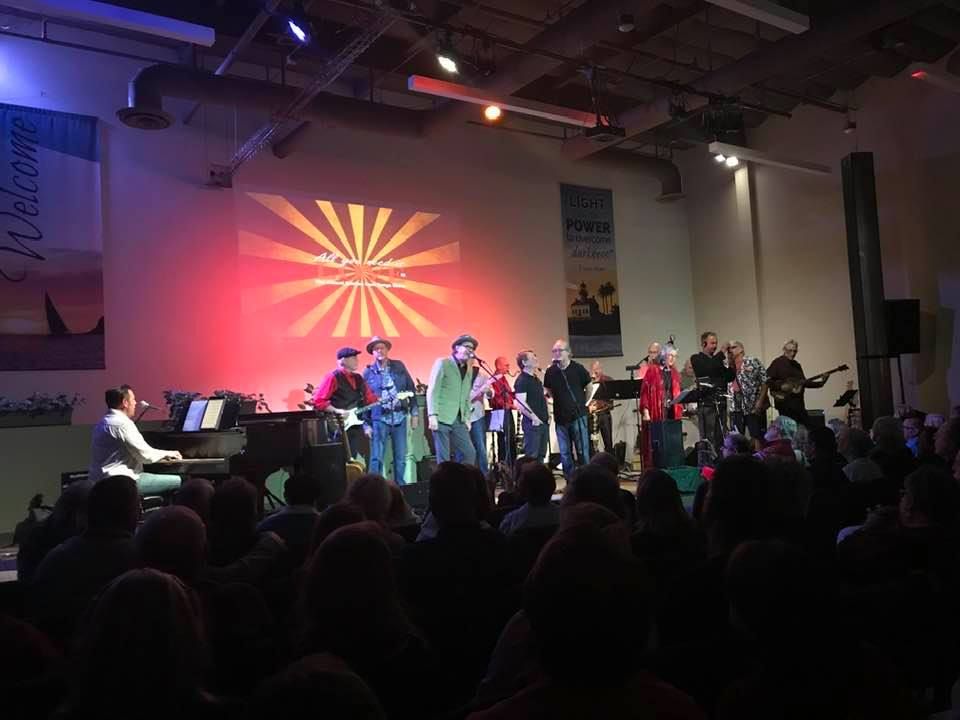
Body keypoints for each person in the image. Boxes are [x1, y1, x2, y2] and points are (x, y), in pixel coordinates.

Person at [88, 384, 182, 495]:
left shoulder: (102, 422)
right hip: (123, 483)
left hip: (100, 482)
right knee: (182, 480)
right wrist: (168, 453)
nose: (135, 403)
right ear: (125, 402)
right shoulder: (122, 424)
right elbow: (145, 456)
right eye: (133, 399)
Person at [362, 336, 418, 485]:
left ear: (387, 350)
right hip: (379, 419)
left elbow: (411, 388)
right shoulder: (368, 372)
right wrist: (366, 424)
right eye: (376, 349)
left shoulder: (399, 366)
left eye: (382, 348)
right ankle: (373, 488)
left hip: (399, 417)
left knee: (401, 457)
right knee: (376, 458)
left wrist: (414, 413)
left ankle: (401, 489)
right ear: (372, 352)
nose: (380, 351)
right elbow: (363, 400)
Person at [313, 347, 379, 467]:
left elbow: (370, 398)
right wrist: (337, 410)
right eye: (353, 358)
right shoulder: (332, 377)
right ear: (342, 360)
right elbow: (319, 401)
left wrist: (383, 401)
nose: (357, 361)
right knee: (338, 460)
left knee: (351, 459)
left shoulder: (359, 378)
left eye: (356, 358)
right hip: (338, 425)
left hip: (355, 425)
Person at [543, 339, 591, 479]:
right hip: (560, 418)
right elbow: (548, 389)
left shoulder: (578, 368)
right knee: (565, 453)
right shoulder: (550, 372)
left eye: (560, 350)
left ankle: (586, 479)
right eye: (554, 351)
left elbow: (589, 387)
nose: (557, 353)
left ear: (568, 352)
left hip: (578, 416)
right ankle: (570, 481)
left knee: (582, 451)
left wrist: (583, 403)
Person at [427, 334, 478, 465]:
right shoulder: (443, 363)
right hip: (442, 416)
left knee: (469, 453)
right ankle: (445, 478)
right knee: (444, 458)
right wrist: (432, 414)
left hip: (459, 419)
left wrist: (467, 417)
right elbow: (433, 390)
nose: (470, 350)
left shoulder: (469, 368)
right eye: (467, 346)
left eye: (472, 348)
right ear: (456, 348)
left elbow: (466, 395)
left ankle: (459, 477)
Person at [690, 332, 735, 452]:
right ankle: (709, 460)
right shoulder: (697, 358)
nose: (715, 346)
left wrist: (731, 361)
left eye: (716, 343)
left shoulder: (717, 361)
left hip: (720, 403)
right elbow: (708, 369)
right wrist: (721, 353)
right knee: (709, 437)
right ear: (704, 344)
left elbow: (729, 377)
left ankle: (721, 458)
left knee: (721, 436)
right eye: (712, 343)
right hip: (707, 404)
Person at [766, 339, 825, 428]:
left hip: (799, 404)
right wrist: (781, 386)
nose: (793, 353)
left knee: (807, 429)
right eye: (790, 350)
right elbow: (767, 380)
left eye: (795, 351)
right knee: (790, 431)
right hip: (785, 404)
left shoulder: (797, 365)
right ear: (784, 350)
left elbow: (805, 382)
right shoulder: (777, 363)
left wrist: (821, 383)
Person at [640, 346, 682, 469]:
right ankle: (658, 468)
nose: (673, 358)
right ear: (663, 356)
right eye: (670, 355)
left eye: (675, 356)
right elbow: (645, 392)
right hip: (656, 411)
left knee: (671, 440)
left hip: (671, 410)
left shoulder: (674, 372)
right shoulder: (653, 370)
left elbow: (676, 391)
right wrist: (646, 411)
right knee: (658, 441)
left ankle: (672, 465)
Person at [728, 341, 768, 442]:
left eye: (733, 347)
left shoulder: (752, 361)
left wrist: (760, 401)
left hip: (752, 405)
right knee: (736, 436)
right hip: (735, 406)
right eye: (729, 348)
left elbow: (765, 381)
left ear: (741, 349)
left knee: (757, 435)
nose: (730, 350)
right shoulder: (727, 365)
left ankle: (758, 452)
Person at [513, 350, 548, 462]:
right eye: (532, 358)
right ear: (524, 362)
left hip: (543, 422)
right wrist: (534, 418)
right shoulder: (522, 380)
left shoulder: (536, 379)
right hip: (532, 424)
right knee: (532, 457)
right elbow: (521, 403)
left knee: (541, 456)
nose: (536, 359)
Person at [489, 356, 516, 468]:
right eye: (506, 365)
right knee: (504, 441)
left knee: (510, 439)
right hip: (499, 412)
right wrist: (510, 405)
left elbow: (508, 394)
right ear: (499, 366)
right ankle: (505, 468)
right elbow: (496, 399)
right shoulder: (494, 380)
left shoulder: (503, 378)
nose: (508, 367)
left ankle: (511, 466)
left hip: (506, 412)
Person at [588, 360, 614, 454]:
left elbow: (610, 401)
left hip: (604, 414)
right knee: (591, 443)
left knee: (608, 441)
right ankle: (594, 459)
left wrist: (598, 405)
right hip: (591, 416)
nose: (596, 371)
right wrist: (589, 406)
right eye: (594, 369)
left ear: (601, 369)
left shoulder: (608, 380)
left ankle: (609, 459)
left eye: (598, 369)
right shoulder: (588, 381)